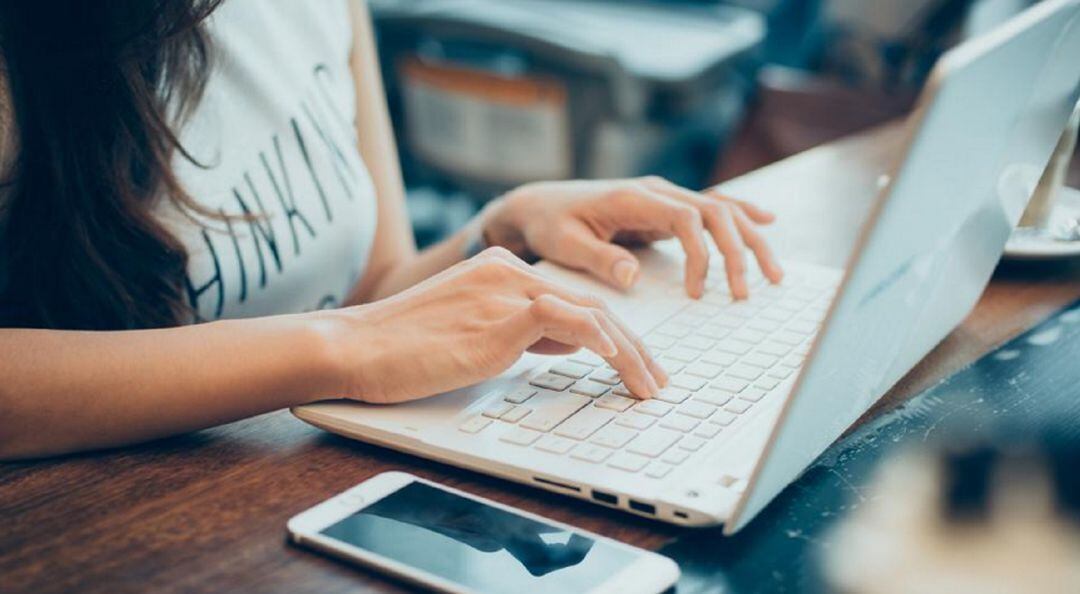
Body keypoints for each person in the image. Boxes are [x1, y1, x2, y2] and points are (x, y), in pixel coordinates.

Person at [0, 0, 782, 461]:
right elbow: (360, 331)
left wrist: (500, 231)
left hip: (300, 485)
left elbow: (374, 289)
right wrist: (340, 347)